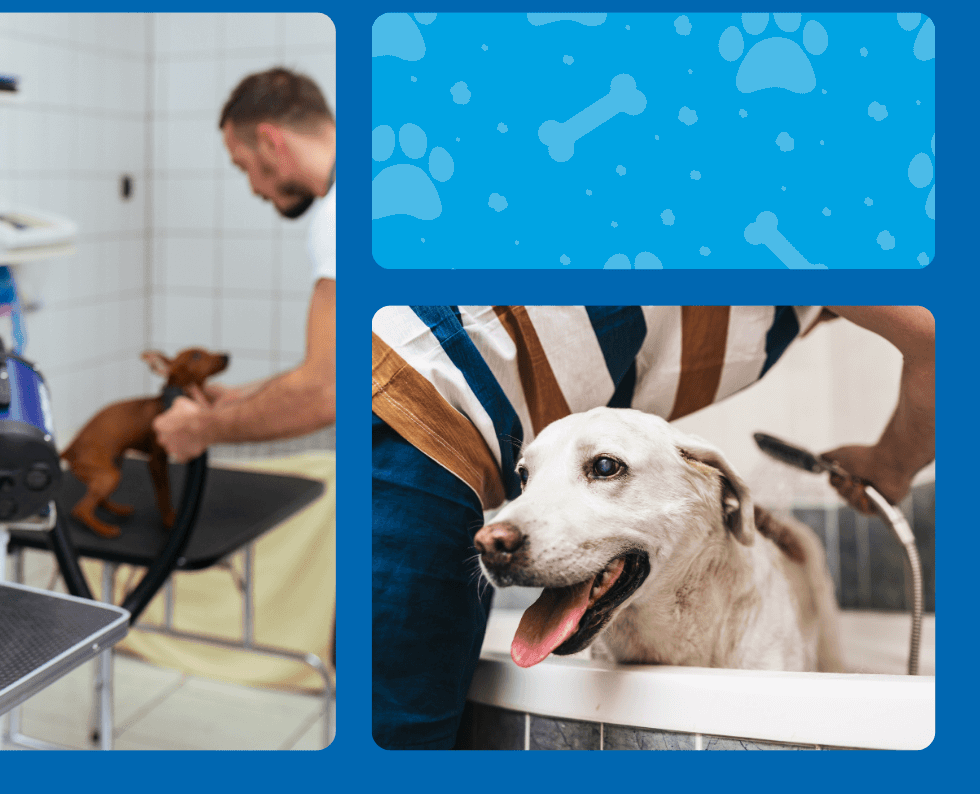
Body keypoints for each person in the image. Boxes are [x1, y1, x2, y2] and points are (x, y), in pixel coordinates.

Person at [370, 305, 935, 749]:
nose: (503, 528)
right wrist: (893, 461)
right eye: (528, 477)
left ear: (722, 495)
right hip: (421, 391)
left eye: (605, 468)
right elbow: (942, 338)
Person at [154, 67, 336, 462]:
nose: (254, 187)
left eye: (243, 166)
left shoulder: (340, 216)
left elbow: (325, 390)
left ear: (270, 142)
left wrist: (201, 428)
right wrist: (242, 400)